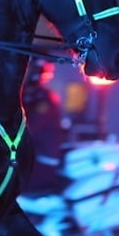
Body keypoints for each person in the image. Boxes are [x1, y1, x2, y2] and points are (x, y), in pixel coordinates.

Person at [22, 59, 70, 193]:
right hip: (30, 154)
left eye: (28, 69)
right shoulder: (26, 94)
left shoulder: (45, 99)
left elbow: (30, 125)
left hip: (41, 159)